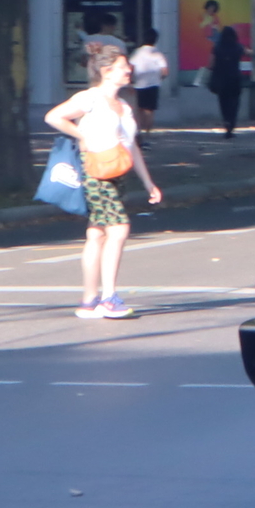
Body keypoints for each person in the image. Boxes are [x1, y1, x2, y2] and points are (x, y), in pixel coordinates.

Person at [43, 44, 162, 319]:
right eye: (123, 67)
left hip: (117, 172)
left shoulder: (123, 106)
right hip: (95, 172)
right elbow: (54, 117)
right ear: (107, 71)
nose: (128, 70)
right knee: (119, 229)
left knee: (97, 234)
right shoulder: (90, 98)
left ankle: (88, 301)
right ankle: (109, 298)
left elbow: (131, 146)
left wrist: (148, 182)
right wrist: (82, 136)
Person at [208, 22, 252, 136]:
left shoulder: (217, 48)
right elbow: (249, 53)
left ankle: (226, 121)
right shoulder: (238, 47)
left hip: (221, 79)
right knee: (234, 102)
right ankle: (232, 123)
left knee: (223, 102)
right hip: (235, 78)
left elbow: (211, 64)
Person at [129, 28, 169, 143]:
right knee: (150, 111)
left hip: (138, 84)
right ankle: (148, 134)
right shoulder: (157, 54)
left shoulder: (137, 52)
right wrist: (158, 78)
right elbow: (165, 71)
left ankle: (138, 132)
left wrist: (131, 81)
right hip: (153, 85)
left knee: (139, 110)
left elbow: (130, 68)